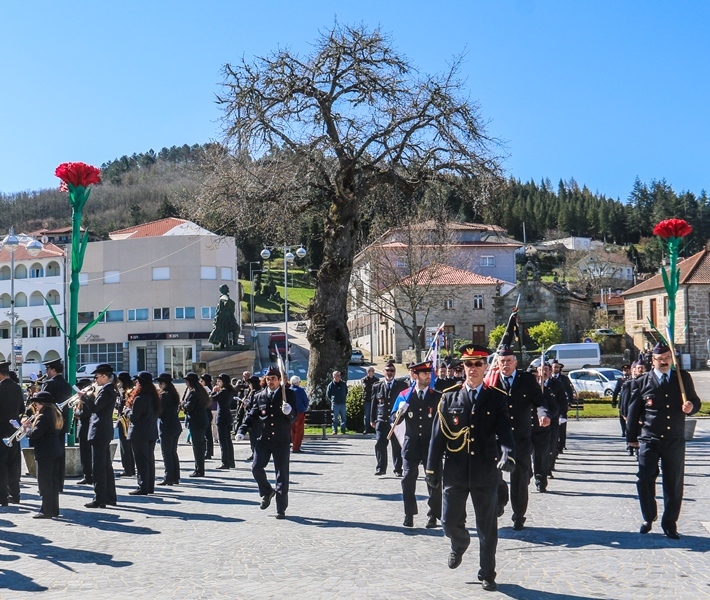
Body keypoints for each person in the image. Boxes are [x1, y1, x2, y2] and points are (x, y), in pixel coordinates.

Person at [426, 344, 514, 592]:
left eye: (478, 364)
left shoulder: (496, 397)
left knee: (487, 528)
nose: (473, 369)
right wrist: (432, 469)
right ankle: (460, 542)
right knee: (448, 521)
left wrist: (508, 454)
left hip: (485, 471)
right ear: (462, 367)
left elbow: (505, 433)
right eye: (468, 364)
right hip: (455, 470)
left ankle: (487, 572)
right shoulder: (449, 397)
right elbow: (437, 437)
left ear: (486, 367)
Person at [627, 343, 701, 539]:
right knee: (644, 479)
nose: (665, 361)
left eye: (668, 357)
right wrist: (631, 438)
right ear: (653, 361)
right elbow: (633, 412)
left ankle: (670, 523)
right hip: (650, 438)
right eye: (660, 359)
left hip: (674, 439)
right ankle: (648, 516)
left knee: (674, 483)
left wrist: (691, 407)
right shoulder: (643, 381)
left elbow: (696, 401)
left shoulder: (682, 379)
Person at [496, 348, 549, 530]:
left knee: (520, 479)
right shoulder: (492, 381)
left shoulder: (526, 380)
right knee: (494, 475)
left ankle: (519, 515)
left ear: (515, 362)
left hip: (520, 438)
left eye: (509, 360)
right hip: (498, 439)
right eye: (502, 361)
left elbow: (539, 400)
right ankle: (500, 499)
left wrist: (543, 414)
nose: (506, 364)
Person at [236, 366, 296, 519]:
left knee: (281, 474)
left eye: (273, 379)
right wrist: (242, 429)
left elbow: (294, 417)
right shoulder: (260, 396)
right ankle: (267, 492)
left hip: (281, 440)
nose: (271, 382)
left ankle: (281, 508)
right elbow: (252, 414)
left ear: (279, 380)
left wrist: (289, 412)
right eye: (268, 379)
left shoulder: (287, 395)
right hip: (263, 439)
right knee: (256, 468)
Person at [393, 360, 441, 528]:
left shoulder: (437, 396)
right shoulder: (405, 395)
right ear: (415, 375)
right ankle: (409, 514)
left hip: (430, 445)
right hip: (411, 443)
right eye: (425, 373)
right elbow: (393, 420)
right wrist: (400, 412)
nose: (429, 376)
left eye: (430, 373)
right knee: (407, 479)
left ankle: (433, 515)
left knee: (433, 480)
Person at [80, 363, 118, 508]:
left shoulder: (107, 390)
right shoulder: (107, 390)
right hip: (102, 430)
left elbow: (95, 408)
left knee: (99, 467)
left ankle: (100, 498)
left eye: (96, 376)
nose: (95, 379)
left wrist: (84, 398)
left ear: (104, 376)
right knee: (106, 466)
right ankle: (109, 497)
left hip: (100, 431)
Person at [25, 391, 64, 518]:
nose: (35, 406)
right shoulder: (55, 413)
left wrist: (27, 429)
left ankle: (46, 510)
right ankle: (54, 509)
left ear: (42, 403)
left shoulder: (42, 416)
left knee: (44, 482)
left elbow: (35, 435)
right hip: (55, 449)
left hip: (45, 452)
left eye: (36, 403)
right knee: (53, 481)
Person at [125, 372, 160, 495]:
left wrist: (127, 411)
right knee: (149, 460)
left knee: (141, 461)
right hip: (151, 432)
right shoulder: (153, 397)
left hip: (139, 433)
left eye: (137, 382)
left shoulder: (140, 398)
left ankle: (142, 486)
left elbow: (134, 417)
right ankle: (149, 486)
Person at [41, 358, 72, 490]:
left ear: (53, 370)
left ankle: (51, 483)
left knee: (49, 455)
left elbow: (42, 403)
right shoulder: (66, 384)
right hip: (62, 423)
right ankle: (60, 483)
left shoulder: (49, 384)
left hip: (50, 424)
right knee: (60, 453)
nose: (46, 372)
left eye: (47, 369)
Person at [371, 362, 406, 476]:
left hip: (395, 421)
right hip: (381, 420)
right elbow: (373, 404)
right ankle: (380, 468)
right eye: (387, 370)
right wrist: (372, 419)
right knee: (380, 444)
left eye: (392, 370)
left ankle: (398, 469)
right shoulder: (377, 386)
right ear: (383, 372)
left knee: (397, 446)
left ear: (395, 372)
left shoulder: (401, 386)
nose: (389, 373)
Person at [532, 363, 562, 492]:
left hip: (541, 430)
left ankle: (541, 480)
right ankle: (526, 474)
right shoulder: (521, 391)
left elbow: (555, 407)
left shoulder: (544, 390)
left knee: (541, 456)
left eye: (535, 376)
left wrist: (548, 416)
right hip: (525, 429)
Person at [0, 361, 25, 506]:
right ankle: (15, 495)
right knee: (13, 465)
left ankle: (2, 497)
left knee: (1, 465)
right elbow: (22, 409)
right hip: (14, 431)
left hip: (1, 431)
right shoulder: (17, 388)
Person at [181, 372, 211, 477]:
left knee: (197, 446)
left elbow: (189, 407)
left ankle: (199, 470)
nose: (186, 383)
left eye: (186, 381)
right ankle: (199, 468)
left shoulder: (193, 393)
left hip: (196, 422)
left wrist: (182, 403)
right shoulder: (200, 391)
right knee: (200, 445)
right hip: (202, 420)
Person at [156, 372, 182, 485]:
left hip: (167, 426)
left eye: (159, 383)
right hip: (175, 425)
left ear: (163, 383)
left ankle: (169, 477)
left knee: (166, 453)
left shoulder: (164, 395)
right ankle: (175, 476)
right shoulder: (173, 394)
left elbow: (160, 412)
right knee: (172, 452)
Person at [620, 361, 645, 455]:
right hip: (631, 413)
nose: (641, 370)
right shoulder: (628, 383)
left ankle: (639, 451)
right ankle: (631, 446)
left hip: (641, 415)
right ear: (633, 370)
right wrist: (625, 413)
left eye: (642, 368)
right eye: (639, 368)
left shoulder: (646, 381)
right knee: (631, 430)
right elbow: (625, 400)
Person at [115, 371, 136, 478]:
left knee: (125, 446)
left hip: (126, 420)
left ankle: (128, 468)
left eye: (119, 381)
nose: (118, 383)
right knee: (125, 446)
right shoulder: (122, 392)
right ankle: (129, 468)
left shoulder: (127, 393)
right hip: (123, 419)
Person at [212, 373, 235, 469]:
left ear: (224, 382)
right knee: (228, 440)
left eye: (219, 381)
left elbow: (212, 399)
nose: (217, 383)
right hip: (227, 415)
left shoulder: (224, 391)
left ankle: (225, 462)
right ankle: (231, 461)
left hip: (222, 416)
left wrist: (213, 392)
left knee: (223, 441)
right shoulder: (229, 390)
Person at [550, 360, 573, 453]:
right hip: (552, 405)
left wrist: (570, 403)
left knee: (562, 426)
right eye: (554, 367)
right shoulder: (548, 378)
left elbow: (569, 391)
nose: (556, 369)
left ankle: (561, 445)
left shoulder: (563, 378)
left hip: (562, 405)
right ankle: (554, 445)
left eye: (557, 367)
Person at [74, 378, 94, 485]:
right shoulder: (87, 397)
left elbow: (85, 414)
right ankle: (88, 474)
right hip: (85, 428)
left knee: (85, 454)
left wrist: (76, 412)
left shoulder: (87, 397)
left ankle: (88, 475)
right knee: (86, 453)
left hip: (85, 428)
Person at [289, 376, 309, 453]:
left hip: (291, 412)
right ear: (297, 382)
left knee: (292, 429)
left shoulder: (289, 390)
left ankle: (294, 444)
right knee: (299, 430)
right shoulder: (300, 390)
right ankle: (296, 447)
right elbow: (306, 401)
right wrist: (304, 408)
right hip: (299, 411)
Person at [612, 364, 632, 436]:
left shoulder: (633, 379)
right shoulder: (620, 380)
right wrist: (614, 402)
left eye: (627, 370)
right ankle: (624, 431)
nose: (626, 372)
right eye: (624, 370)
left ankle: (630, 430)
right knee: (621, 416)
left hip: (630, 401)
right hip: (622, 401)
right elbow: (616, 392)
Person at [360, 367, 379, 433]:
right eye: (370, 371)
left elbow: (377, 389)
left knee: (374, 414)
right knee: (367, 415)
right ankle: (366, 429)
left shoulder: (376, 380)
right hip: (367, 399)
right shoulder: (364, 380)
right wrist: (373, 388)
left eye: (372, 371)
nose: (371, 372)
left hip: (374, 400)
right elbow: (366, 388)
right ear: (367, 372)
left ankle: (374, 429)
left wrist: (372, 389)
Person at [201, 373, 215, 460]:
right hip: (207, 412)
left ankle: (208, 452)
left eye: (202, 381)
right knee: (208, 434)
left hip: (206, 412)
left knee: (207, 434)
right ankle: (209, 451)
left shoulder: (207, 389)